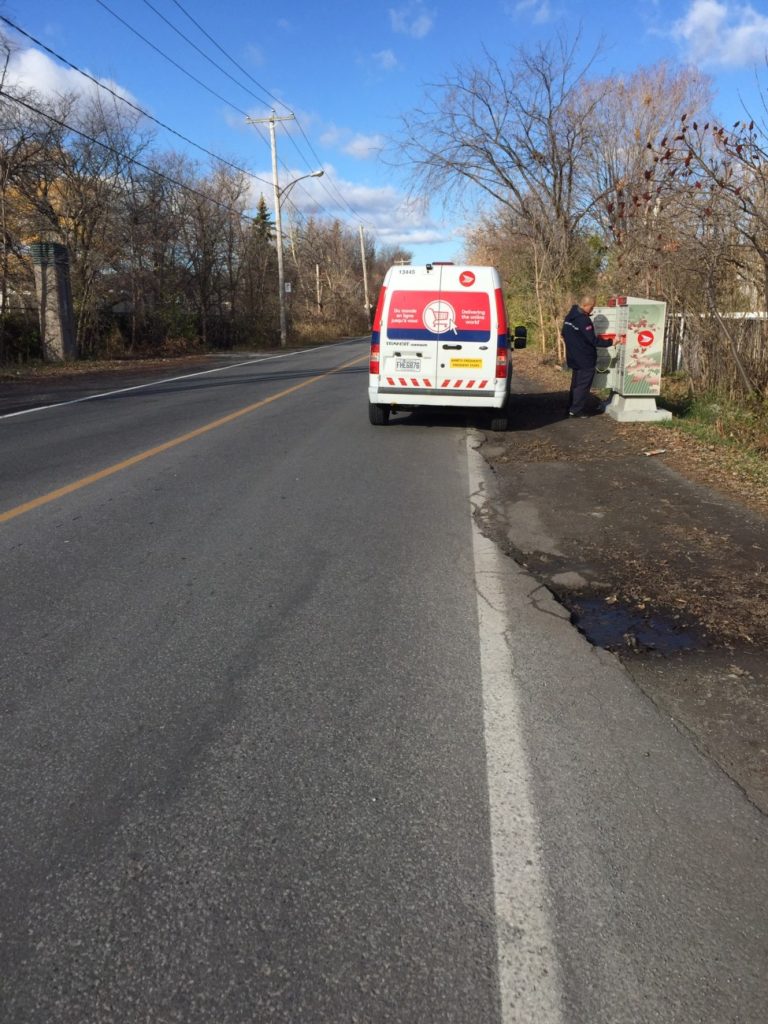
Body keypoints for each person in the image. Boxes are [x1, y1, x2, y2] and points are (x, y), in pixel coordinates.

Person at [561, 296, 613, 417]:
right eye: (592, 307)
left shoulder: (569, 317)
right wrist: (611, 342)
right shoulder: (584, 320)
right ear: (585, 305)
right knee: (583, 386)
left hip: (573, 357)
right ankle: (576, 410)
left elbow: (564, 333)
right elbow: (593, 341)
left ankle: (571, 408)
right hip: (585, 359)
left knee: (575, 384)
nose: (592, 309)